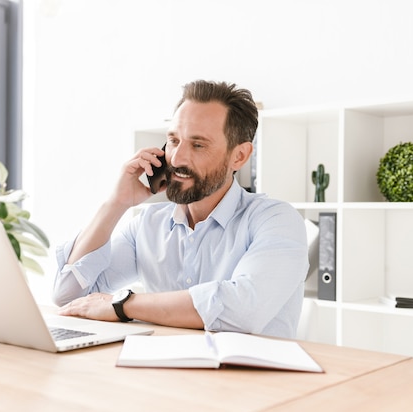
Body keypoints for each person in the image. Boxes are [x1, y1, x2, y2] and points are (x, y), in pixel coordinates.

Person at [53, 80, 308, 338]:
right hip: (165, 372)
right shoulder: (148, 224)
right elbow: (69, 297)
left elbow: (242, 311)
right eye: (174, 140)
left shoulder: (276, 220)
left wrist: (123, 305)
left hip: (249, 376)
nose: (176, 158)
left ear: (239, 156)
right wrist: (116, 203)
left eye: (198, 145)